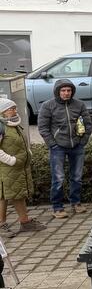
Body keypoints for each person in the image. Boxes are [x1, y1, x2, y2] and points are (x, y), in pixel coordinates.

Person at [37, 79, 90, 219]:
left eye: (69, 90)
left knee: (77, 177)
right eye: (63, 91)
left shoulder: (80, 105)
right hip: (58, 147)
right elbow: (43, 127)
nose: (66, 93)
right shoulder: (48, 106)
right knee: (58, 178)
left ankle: (76, 203)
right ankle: (57, 207)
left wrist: (83, 141)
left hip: (77, 146)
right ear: (57, 92)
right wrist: (52, 144)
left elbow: (88, 123)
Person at [0, 99, 44, 240]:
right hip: (6, 168)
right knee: (2, 196)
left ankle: (25, 222)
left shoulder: (13, 124)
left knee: (18, 194)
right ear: (2, 112)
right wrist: (11, 160)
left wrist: (28, 154)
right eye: (10, 109)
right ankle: (1, 225)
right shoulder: (1, 126)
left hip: (18, 167)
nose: (14, 111)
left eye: (14, 108)